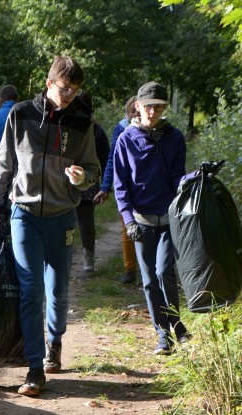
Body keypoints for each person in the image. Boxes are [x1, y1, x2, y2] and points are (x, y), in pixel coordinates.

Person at [0, 56, 100, 396]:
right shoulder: (20, 114)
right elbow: (3, 164)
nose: (70, 96)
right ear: (50, 83)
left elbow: (93, 168)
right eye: (66, 90)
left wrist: (82, 179)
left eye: (76, 91)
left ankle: (55, 341)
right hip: (24, 214)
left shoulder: (82, 121)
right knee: (31, 290)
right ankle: (35, 368)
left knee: (58, 290)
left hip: (62, 216)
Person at [113, 81, 190, 355]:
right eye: (149, 106)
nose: (153, 111)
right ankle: (163, 336)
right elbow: (120, 185)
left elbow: (177, 176)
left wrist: (194, 178)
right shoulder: (126, 139)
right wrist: (128, 220)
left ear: (164, 108)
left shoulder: (175, 137)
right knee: (148, 280)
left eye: (159, 107)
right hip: (141, 221)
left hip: (169, 218)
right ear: (138, 106)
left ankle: (177, 325)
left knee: (163, 271)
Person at [93, 96, 139, 283]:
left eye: (138, 111)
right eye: (132, 111)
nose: (135, 115)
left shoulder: (154, 130)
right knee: (127, 228)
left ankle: (149, 269)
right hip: (126, 185)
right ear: (127, 113)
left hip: (147, 186)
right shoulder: (121, 129)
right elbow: (112, 158)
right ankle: (130, 270)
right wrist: (105, 187)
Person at [74, 91, 110, 272]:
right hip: (89, 182)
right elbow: (106, 159)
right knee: (85, 221)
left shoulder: (93, 130)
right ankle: (88, 261)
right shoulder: (97, 129)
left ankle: (86, 260)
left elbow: (105, 158)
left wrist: (106, 186)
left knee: (76, 221)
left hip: (80, 181)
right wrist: (105, 185)